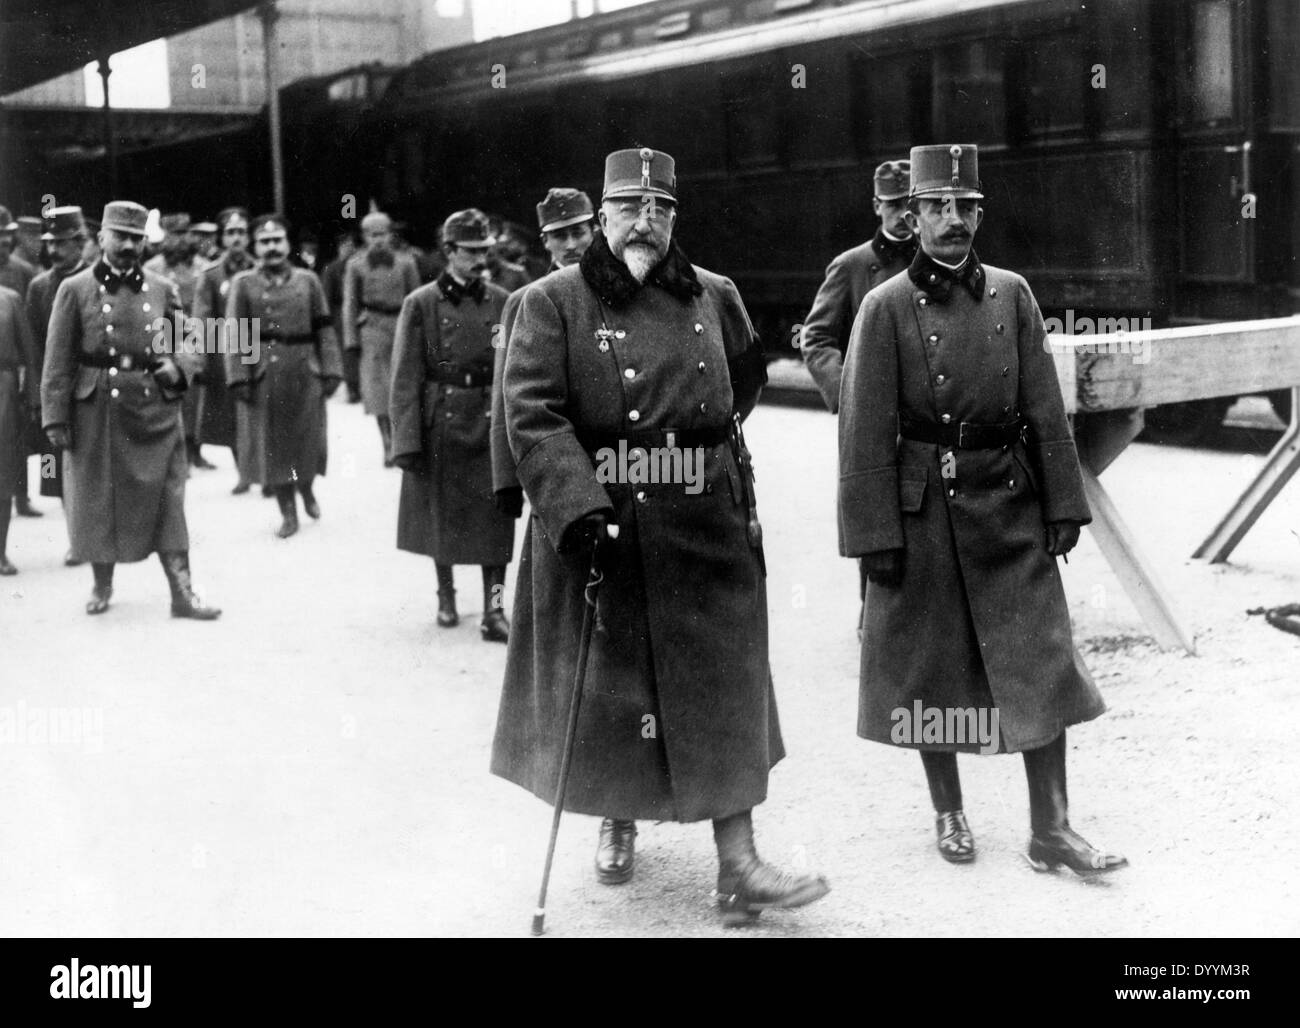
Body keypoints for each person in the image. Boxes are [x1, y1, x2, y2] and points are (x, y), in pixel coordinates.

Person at [492, 148, 829, 925]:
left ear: (676, 216)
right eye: (630, 208)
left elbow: (740, 386)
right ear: (602, 216)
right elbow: (532, 415)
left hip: (705, 519)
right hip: (606, 520)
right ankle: (617, 818)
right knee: (616, 685)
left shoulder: (715, 294)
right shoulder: (551, 302)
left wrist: (694, 461)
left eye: (662, 209)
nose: (646, 223)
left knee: (724, 682)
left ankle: (738, 864)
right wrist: (579, 507)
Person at [838, 143, 1126, 875]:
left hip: (1008, 495)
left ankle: (1051, 828)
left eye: (965, 208)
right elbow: (864, 430)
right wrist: (873, 535)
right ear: (911, 216)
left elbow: (1044, 407)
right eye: (936, 208)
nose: (952, 221)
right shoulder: (885, 306)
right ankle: (949, 810)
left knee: (1042, 657)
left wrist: (1063, 503)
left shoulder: (1013, 294)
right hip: (926, 504)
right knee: (931, 663)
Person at [41, 200, 220, 618]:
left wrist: (177, 368)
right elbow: (57, 358)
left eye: (135, 238)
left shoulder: (161, 288)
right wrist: (55, 417)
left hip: (154, 409)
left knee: (168, 500)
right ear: (100, 238)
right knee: (98, 500)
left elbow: (191, 341)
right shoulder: (75, 289)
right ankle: (102, 585)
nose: (127, 244)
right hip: (98, 411)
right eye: (119, 236)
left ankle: (183, 593)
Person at [801, 159, 915, 638]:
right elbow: (816, 338)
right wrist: (851, 392)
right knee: (876, 513)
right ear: (876, 206)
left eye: (912, 205)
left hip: (927, 416)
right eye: (893, 205)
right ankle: (876, 621)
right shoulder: (851, 267)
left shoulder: (938, 264)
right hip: (873, 424)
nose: (904, 216)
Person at [389, 209, 514, 642]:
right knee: (440, 514)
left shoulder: (502, 299)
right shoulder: (421, 303)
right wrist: (405, 440)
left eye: (485, 250)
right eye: (471, 251)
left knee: (497, 517)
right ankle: (446, 596)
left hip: (489, 416)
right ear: (448, 252)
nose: (480, 259)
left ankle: (494, 610)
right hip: (440, 419)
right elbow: (405, 375)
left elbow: (513, 366)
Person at [225, 214, 342, 538]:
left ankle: (306, 489)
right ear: (255, 246)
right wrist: (240, 377)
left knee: (308, 439)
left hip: (305, 370)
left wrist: (332, 369)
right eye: (264, 242)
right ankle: (288, 511)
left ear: (287, 244)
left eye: (277, 241)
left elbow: (324, 327)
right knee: (273, 446)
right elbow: (236, 333)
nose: (272, 248)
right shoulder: (244, 284)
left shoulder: (308, 280)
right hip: (266, 373)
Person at [490, 187, 596, 514]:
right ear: (545, 242)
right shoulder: (521, 302)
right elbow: (504, 396)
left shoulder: (617, 292)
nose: (570, 245)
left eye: (578, 232)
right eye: (558, 236)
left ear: (597, 230)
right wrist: (505, 480)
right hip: (555, 461)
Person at [25, 206, 90, 555]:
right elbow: (35, 348)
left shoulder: (97, 280)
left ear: (81, 243)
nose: (54, 250)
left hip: (94, 384)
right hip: (59, 391)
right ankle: (76, 539)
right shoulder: (39, 287)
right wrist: (40, 395)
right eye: (50, 243)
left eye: (62, 243)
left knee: (96, 464)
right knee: (58, 468)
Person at [342, 212, 420, 465]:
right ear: (364, 237)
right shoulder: (356, 265)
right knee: (378, 390)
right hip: (372, 329)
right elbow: (350, 305)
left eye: (382, 234)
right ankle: (386, 443)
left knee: (403, 385)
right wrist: (351, 340)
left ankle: (401, 440)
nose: (378, 240)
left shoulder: (406, 262)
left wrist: (420, 334)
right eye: (372, 235)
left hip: (401, 326)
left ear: (390, 235)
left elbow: (417, 299)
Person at [193, 207, 259, 494]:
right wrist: (203, 358)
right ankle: (244, 472)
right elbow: (203, 319)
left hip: (258, 345)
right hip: (226, 352)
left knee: (261, 409)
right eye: (231, 233)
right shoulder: (211, 275)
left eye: (241, 232)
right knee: (233, 414)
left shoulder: (260, 268)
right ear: (222, 238)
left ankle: (264, 471)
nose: (236, 238)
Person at [145, 212, 211, 469]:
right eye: (174, 235)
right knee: (169, 394)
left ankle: (196, 448)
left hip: (195, 336)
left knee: (196, 395)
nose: (180, 241)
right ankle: (175, 452)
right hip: (164, 337)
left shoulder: (203, 266)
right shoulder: (152, 267)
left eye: (184, 234)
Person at [0, 281, 38, 574]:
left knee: (3, 473)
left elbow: (29, 354)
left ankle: (0, 553)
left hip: (4, 393)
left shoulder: (10, 299)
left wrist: (35, 399)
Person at [321, 229, 360, 402]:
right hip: (339, 314)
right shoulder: (332, 269)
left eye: (351, 245)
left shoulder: (359, 266)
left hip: (358, 312)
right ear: (339, 248)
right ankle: (351, 388)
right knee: (347, 353)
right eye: (345, 246)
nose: (349, 249)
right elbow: (327, 296)